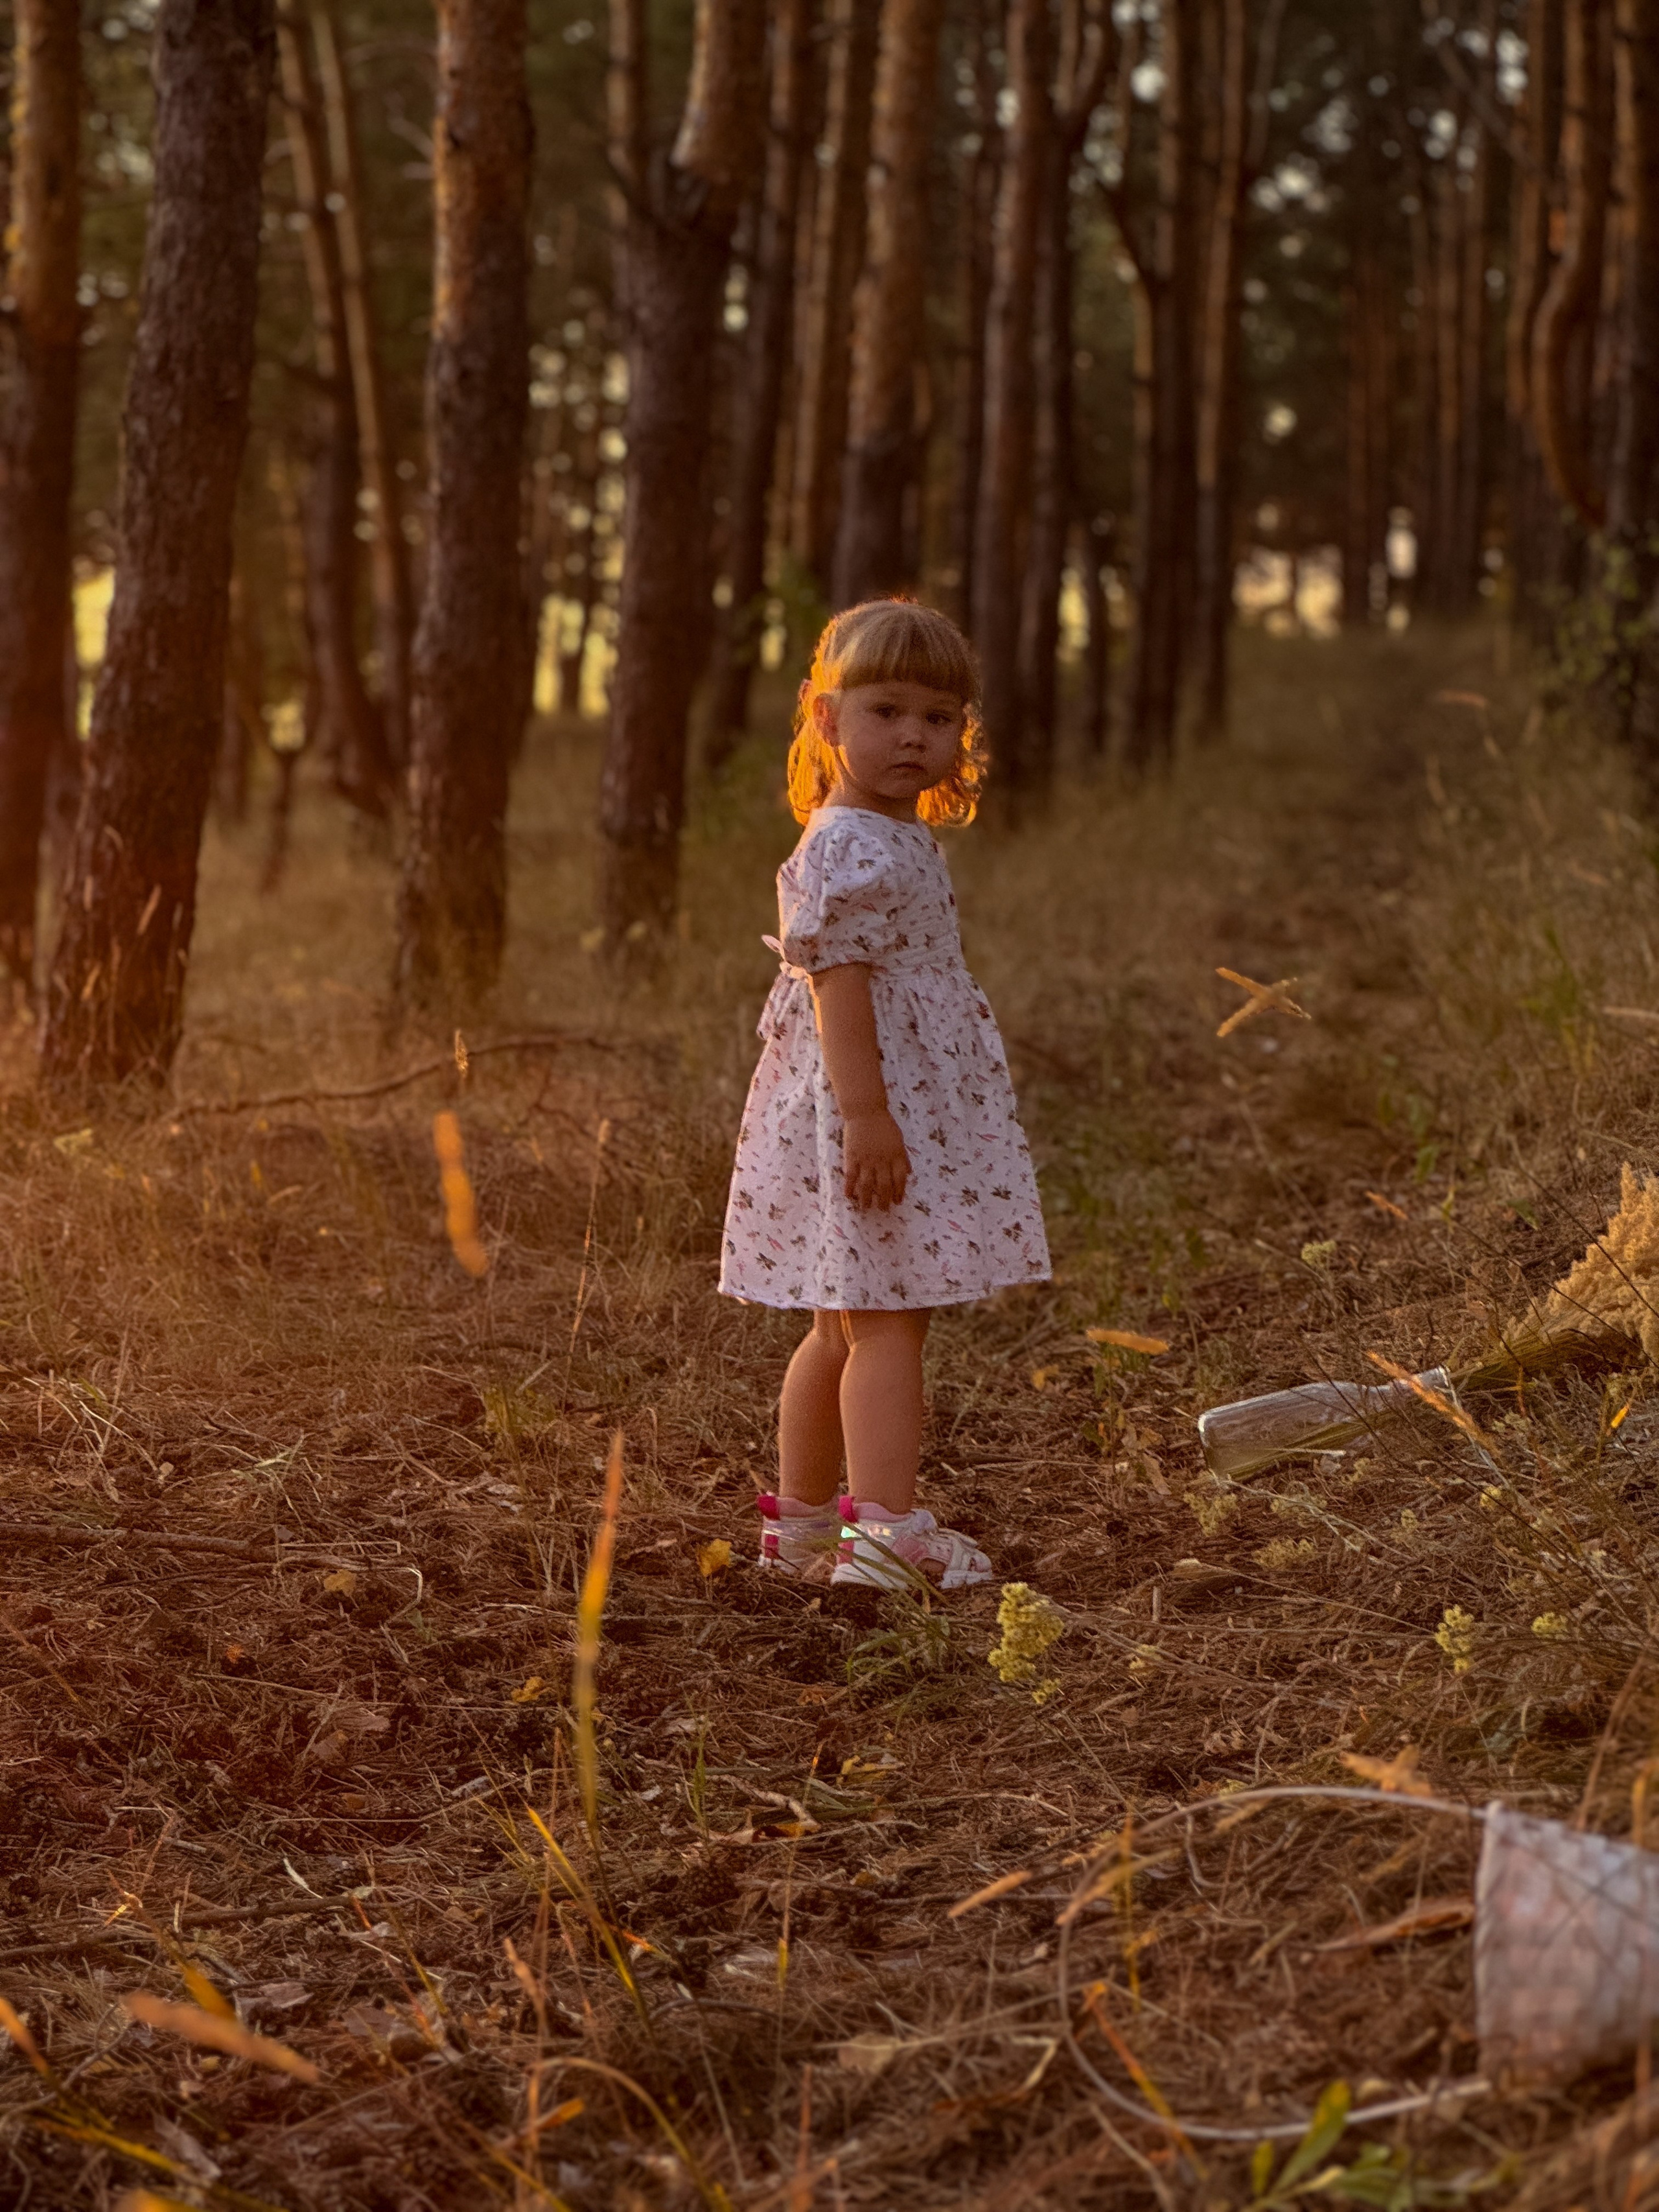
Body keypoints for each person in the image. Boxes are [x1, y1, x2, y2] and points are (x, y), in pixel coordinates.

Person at [719, 599, 1050, 1589]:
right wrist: (869, 1116)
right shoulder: (851, 843)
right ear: (827, 719)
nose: (914, 734)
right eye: (887, 709)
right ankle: (888, 1534)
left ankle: (808, 1527)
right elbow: (838, 982)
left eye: (939, 716)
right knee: (890, 1316)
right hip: (873, 1107)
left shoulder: (876, 832)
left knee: (841, 1318)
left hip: (879, 1103)